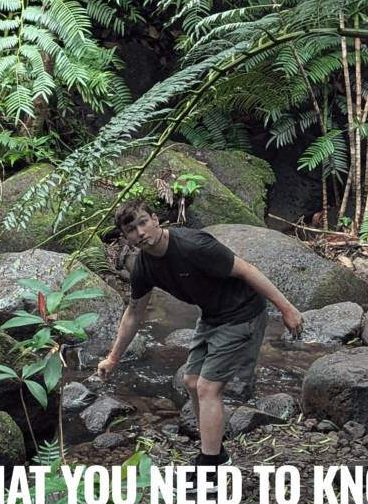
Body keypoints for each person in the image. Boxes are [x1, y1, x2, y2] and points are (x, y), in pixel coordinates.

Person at [97, 197, 304, 483]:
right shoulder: (144, 267)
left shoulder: (194, 245)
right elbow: (134, 312)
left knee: (208, 388)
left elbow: (247, 270)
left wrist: (288, 309)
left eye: (143, 223)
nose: (140, 233)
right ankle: (217, 455)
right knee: (192, 382)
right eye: (131, 230)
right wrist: (113, 358)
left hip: (242, 313)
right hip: (212, 316)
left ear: (156, 220)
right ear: (127, 238)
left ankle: (209, 470)